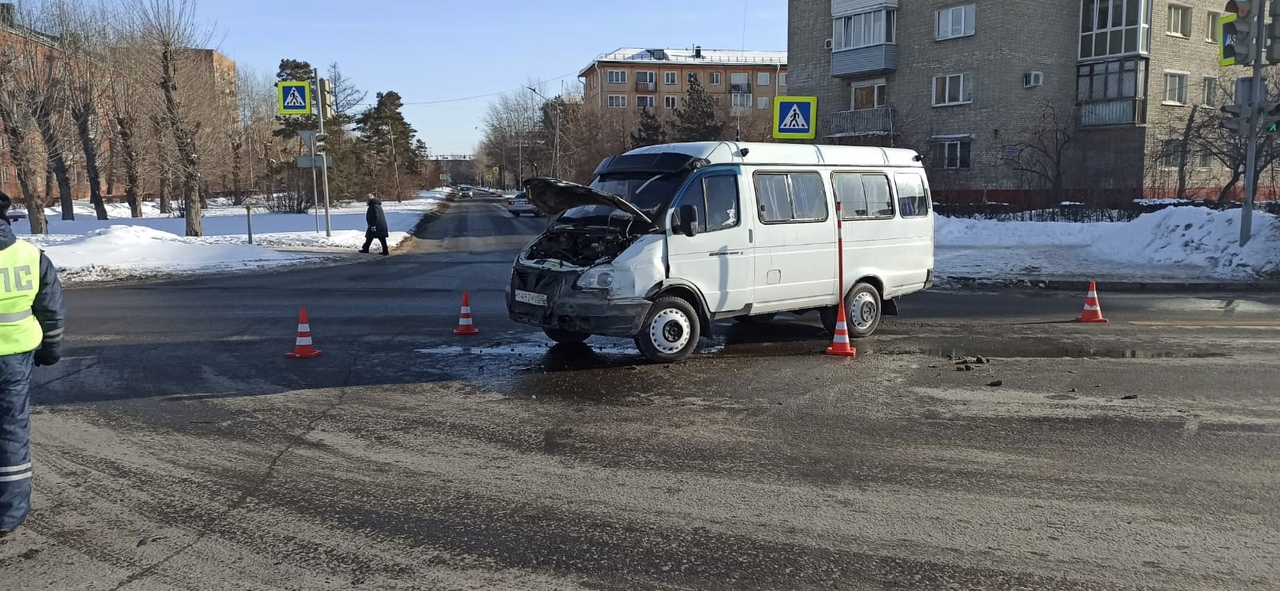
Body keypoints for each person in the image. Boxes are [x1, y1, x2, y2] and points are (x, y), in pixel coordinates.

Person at [0, 192, 64, 540]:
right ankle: (8, 514)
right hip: (14, 360)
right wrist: (50, 349)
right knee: (11, 432)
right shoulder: (29, 256)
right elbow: (51, 309)